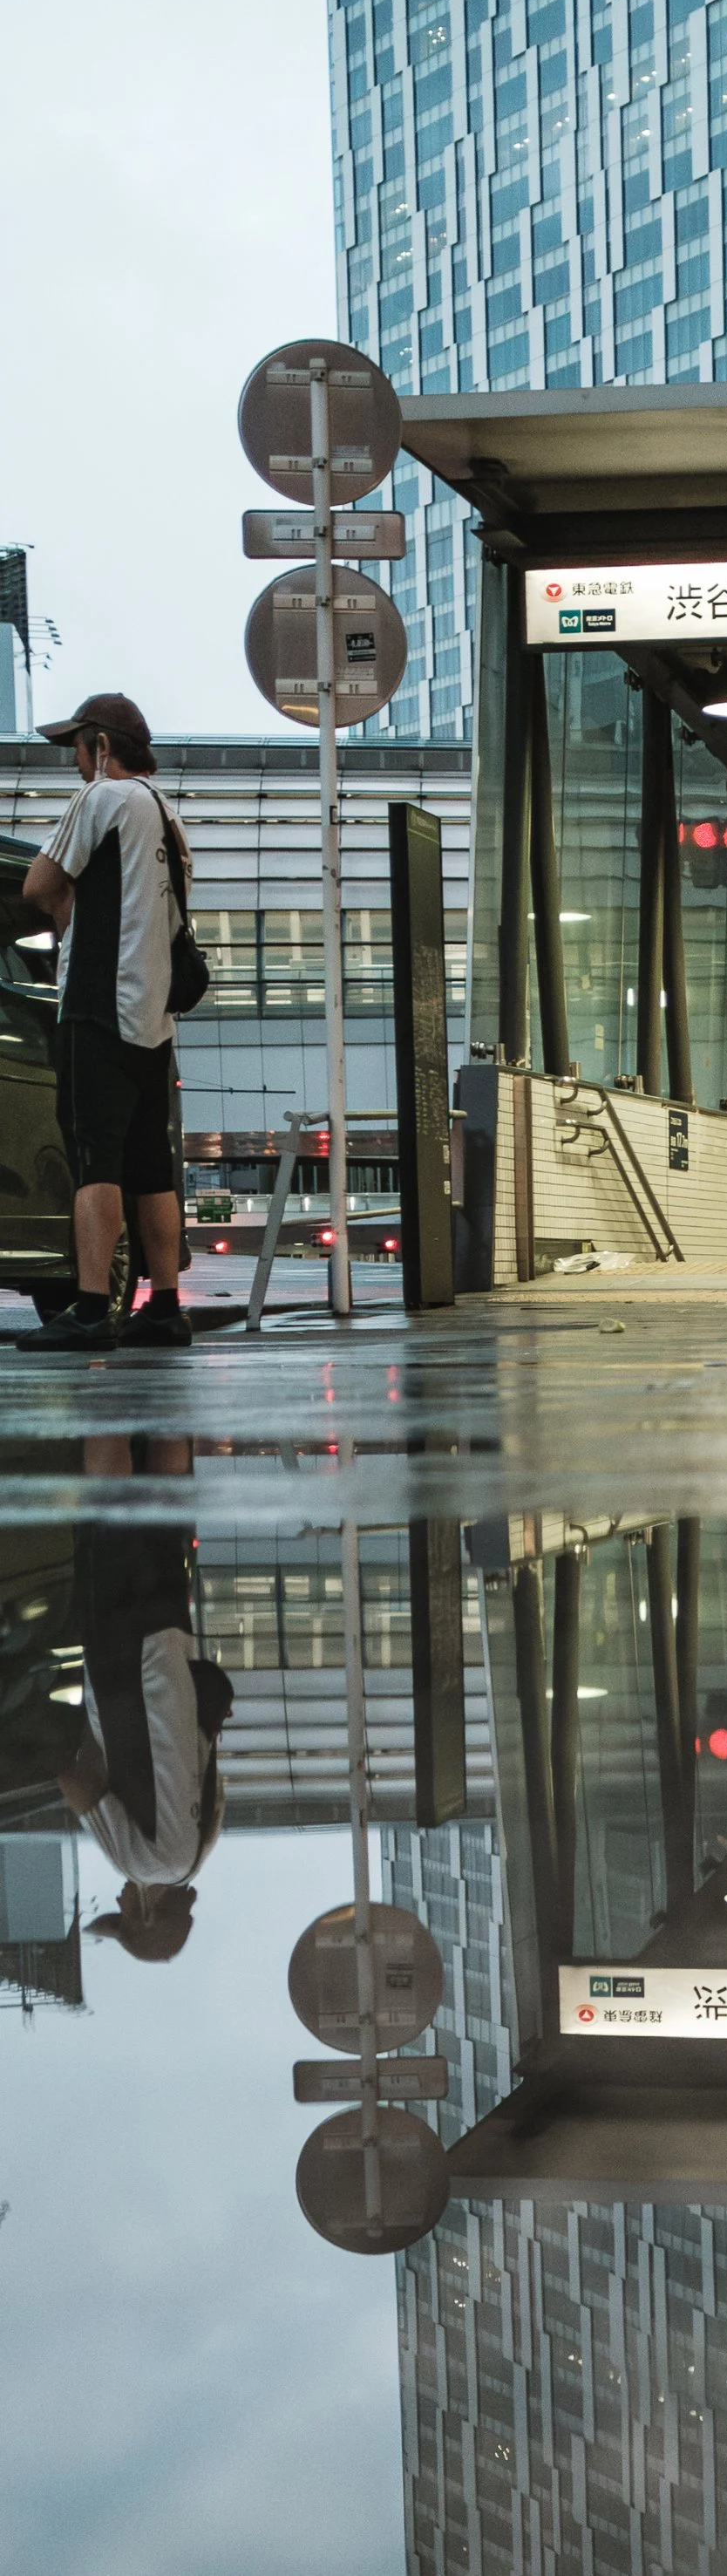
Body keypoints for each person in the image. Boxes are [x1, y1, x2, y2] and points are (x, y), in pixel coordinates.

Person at [16, 693, 193, 1352]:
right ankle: (165, 1306)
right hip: (155, 1021)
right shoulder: (169, 817)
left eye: (77, 748)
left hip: (97, 1008)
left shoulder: (102, 800)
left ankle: (92, 1309)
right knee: (152, 1168)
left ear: (102, 747)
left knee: (96, 1160)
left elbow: (37, 885)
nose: (75, 763)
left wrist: (67, 911)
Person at [57, 1437, 229, 1959]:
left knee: (159, 1513)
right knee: (109, 1510)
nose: (117, 1898)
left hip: (173, 1650)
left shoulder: (203, 1845)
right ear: (146, 1916)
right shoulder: (145, 1866)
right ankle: (105, 1383)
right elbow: (81, 1784)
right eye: (122, 1914)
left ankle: (163, 1383)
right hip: (124, 1668)